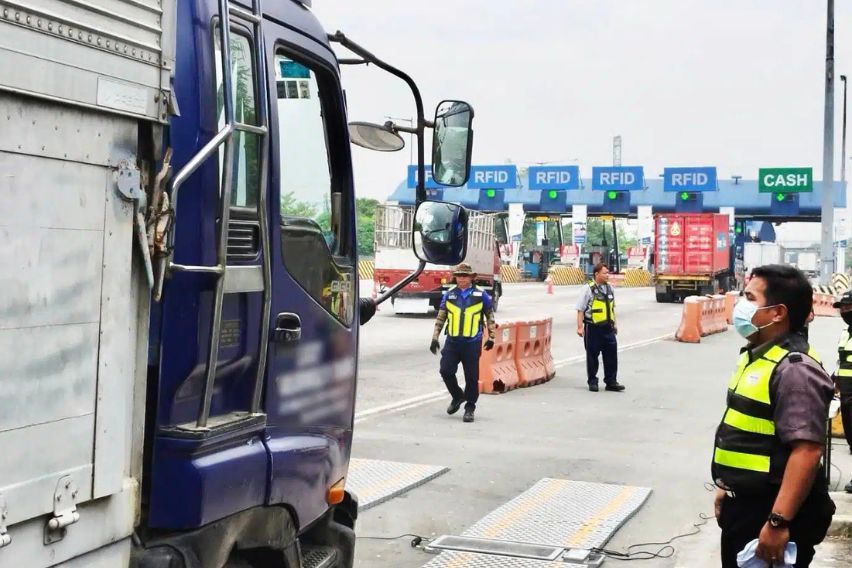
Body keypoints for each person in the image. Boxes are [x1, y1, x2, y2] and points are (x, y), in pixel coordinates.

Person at [712, 264, 835, 568]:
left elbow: (806, 450)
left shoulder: (794, 369)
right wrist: (726, 487)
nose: (741, 303)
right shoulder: (758, 356)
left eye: (750, 297)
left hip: (769, 511)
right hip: (745, 505)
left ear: (777, 313)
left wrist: (778, 523)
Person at [430, 263, 495, 423]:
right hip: (452, 341)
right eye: (459, 276)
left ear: (471, 278)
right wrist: (435, 337)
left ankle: (470, 408)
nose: (461, 279)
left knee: (471, 377)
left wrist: (491, 337)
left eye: (465, 276)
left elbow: (490, 316)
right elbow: (441, 317)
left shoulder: (481, 295)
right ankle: (458, 396)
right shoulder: (449, 295)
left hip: (472, 342)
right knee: (445, 371)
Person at [575, 263, 625, 392]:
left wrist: (615, 324)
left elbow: (612, 308)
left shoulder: (610, 289)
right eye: (605, 273)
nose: (607, 275)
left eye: (608, 273)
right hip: (593, 328)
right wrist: (579, 327)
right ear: (597, 274)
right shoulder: (587, 289)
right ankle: (593, 381)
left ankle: (611, 381)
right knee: (592, 356)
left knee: (611, 356)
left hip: (608, 328)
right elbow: (580, 309)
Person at [831, 291, 852, 492]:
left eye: (848, 307)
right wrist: (834, 378)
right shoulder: (846, 332)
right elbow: (843, 361)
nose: (845, 311)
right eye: (843, 308)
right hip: (846, 394)